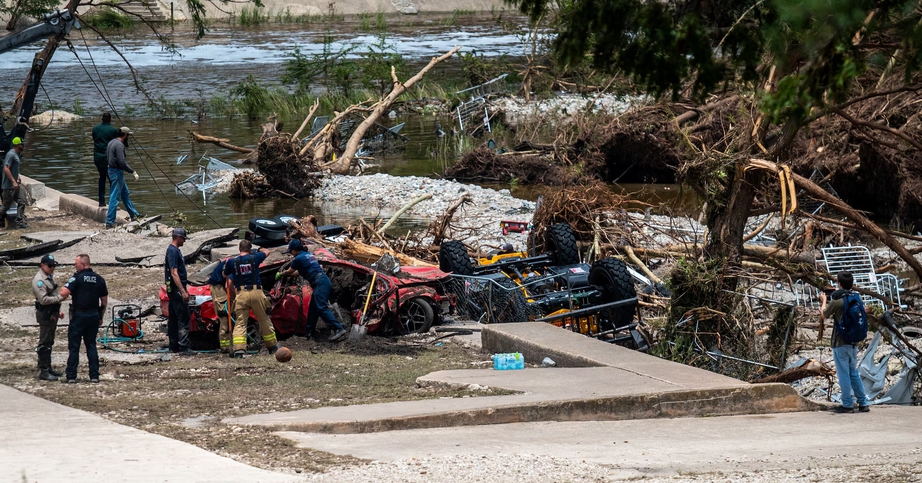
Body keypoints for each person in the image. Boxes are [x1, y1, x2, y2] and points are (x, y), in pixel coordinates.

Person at [819, 271, 870, 414]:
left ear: (839, 283)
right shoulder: (856, 297)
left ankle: (847, 405)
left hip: (840, 342)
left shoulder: (837, 301)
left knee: (843, 375)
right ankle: (863, 403)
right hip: (854, 341)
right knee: (854, 373)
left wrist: (824, 300)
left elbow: (824, 315)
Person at [279, 239, 347, 342]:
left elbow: (289, 271)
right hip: (323, 281)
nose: (291, 254)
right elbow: (297, 272)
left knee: (321, 307)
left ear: (295, 250)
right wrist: (287, 274)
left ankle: (338, 328)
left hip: (319, 282)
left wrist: (281, 274)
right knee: (313, 309)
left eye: (291, 251)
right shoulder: (307, 255)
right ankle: (309, 332)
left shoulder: (298, 258)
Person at [223, 240, 279, 358]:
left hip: (241, 293)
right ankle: (272, 347)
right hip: (256, 292)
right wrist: (258, 249)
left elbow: (225, 275)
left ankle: (239, 350)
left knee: (240, 322)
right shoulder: (255, 258)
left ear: (239, 249)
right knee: (263, 319)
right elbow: (267, 251)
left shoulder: (232, 261)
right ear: (249, 249)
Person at [58, 254, 108, 384]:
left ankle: (71, 375)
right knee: (91, 345)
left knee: (74, 346)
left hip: (79, 315)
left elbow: (63, 292)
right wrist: (100, 317)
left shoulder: (77, 278)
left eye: (76, 264)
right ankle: (94, 375)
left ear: (83, 264)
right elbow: (104, 301)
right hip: (93, 315)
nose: (75, 266)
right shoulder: (99, 279)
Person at [32, 254, 68, 381]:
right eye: (50, 266)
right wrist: (60, 298)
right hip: (45, 313)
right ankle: (44, 370)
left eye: (53, 266)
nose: (52, 268)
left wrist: (58, 310)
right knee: (44, 342)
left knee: (49, 341)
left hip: (52, 312)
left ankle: (48, 366)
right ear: (42, 265)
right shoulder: (39, 280)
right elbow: (43, 299)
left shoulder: (48, 277)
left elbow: (52, 293)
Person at [105, 126, 142, 228]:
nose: (128, 137)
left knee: (125, 194)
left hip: (112, 170)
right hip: (116, 172)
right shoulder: (119, 145)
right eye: (128, 135)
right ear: (125, 135)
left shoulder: (111, 142)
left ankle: (134, 215)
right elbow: (122, 162)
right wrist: (132, 171)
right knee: (114, 197)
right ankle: (109, 221)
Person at [165, 227, 194, 355]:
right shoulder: (173, 251)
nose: (184, 241)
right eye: (183, 239)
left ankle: (174, 345)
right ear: (178, 237)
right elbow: (174, 272)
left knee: (173, 317)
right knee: (183, 316)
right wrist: (183, 291)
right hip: (176, 289)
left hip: (174, 289)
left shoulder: (174, 251)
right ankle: (183, 346)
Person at [206, 257, 234, 353]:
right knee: (224, 315)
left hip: (222, 284)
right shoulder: (234, 265)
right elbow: (228, 283)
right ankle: (225, 347)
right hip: (218, 286)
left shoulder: (241, 261)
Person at [91, 113, 119, 207]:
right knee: (112, 180)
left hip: (98, 157)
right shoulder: (113, 130)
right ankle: (112, 203)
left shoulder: (95, 129)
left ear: (102, 119)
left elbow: (94, 139)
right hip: (108, 158)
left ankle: (101, 201)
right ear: (110, 120)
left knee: (102, 178)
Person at [1, 136, 28, 229]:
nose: (23, 146)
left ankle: (19, 221)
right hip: (9, 186)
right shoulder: (11, 154)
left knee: (22, 201)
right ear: (17, 145)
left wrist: (18, 176)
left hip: (15, 185)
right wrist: (13, 181)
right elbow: (6, 168)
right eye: (21, 144)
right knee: (5, 207)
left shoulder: (16, 154)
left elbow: (14, 168)